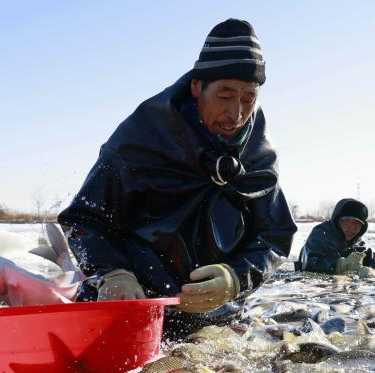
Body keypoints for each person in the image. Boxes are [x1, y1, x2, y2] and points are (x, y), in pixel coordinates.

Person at [57, 19, 296, 333]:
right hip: (133, 308)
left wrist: (237, 278)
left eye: (249, 99)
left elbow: (274, 236)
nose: (236, 114)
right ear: (197, 87)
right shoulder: (140, 139)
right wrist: (112, 274)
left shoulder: (259, 155)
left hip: (216, 316)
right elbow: (83, 220)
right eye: (225, 96)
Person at [297, 198, 375, 275]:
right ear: (336, 221)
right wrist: (339, 265)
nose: (352, 227)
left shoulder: (358, 243)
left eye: (357, 223)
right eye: (347, 221)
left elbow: (374, 264)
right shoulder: (320, 235)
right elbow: (310, 265)